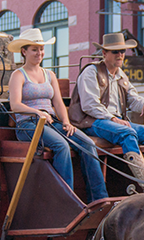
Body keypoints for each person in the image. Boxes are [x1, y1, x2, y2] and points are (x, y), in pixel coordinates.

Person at [7, 28, 108, 201]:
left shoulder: (49, 75)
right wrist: (37, 112)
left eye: (41, 49)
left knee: (87, 144)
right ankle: (66, 198)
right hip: (28, 125)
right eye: (34, 49)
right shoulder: (18, 75)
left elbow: (58, 103)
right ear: (24, 51)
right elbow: (15, 105)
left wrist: (67, 122)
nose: (39, 53)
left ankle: (99, 198)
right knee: (61, 145)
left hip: (51, 123)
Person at [68, 32, 144, 190]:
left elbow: (132, 98)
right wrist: (112, 119)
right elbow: (89, 105)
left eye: (122, 51)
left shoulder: (121, 75)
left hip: (116, 123)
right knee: (127, 133)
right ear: (104, 53)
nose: (120, 55)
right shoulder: (91, 72)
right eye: (115, 51)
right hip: (92, 122)